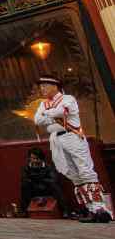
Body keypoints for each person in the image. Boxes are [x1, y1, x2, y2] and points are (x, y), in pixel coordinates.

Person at [34, 76, 112, 223]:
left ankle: (100, 209)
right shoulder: (43, 104)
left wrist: (48, 114)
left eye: (44, 85)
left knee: (85, 170)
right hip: (56, 139)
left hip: (71, 136)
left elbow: (62, 112)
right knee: (72, 173)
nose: (41, 89)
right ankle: (89, 208)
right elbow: (37, 120)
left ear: (55, 86)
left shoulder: (68, 99)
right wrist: (50, 114)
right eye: (41, 86)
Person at [20, 147, 66, 217]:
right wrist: (33, 180)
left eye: (37, 159)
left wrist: (40, 179)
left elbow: (53, 179)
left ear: (41, 159)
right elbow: (24, 179)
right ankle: (24, 211)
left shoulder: (48, 167)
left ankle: (64, 210)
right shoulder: (27, 168)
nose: (35, 161)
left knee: (55, 187)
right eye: (33, 158)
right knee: (25, 186)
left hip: (46, 188)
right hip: (34, 189)